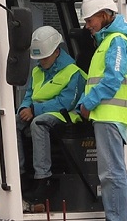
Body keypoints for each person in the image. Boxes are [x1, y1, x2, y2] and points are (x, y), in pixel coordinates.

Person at [73, 0, 127, 221]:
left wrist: (88, 103)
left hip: (110, 115)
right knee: (112, 172)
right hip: (107, 115)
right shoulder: (110, 41)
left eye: (90, 20)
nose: (87, 25)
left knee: (112, 173)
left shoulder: (117, 41)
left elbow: (112, 79)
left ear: (103, 15)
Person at [18, 26, 85, 203]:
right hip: (37, 110)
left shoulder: (73, 72)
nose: (41, 62)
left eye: (44, 57)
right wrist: (24, 109)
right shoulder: (37, 71)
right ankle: (20, 174)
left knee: (38, 124)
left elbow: (66, 102)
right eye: (38, 58)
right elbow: (29, 95)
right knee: (12, 123)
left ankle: (43, 179)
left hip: (65, 114)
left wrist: (34, 111)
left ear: (56, 51)